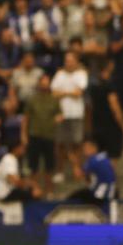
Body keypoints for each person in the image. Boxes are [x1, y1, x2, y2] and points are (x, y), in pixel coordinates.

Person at [52, 52, 89, 180]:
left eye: (71, 60)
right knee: (60, 144)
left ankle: (77, 170)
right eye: (66, 60)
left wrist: (63, 92)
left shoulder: (81, 74)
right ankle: (60, 171)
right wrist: (70, 92)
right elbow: (54, 93)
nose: (68, 62)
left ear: (76, 61)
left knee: (77, 143)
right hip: (61, 114)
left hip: (76, 114)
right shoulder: (59, 74)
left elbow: (78, 93)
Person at [23, 74, 60, 196]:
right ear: (39, 84)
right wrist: (24, 134)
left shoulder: (54, 99)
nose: (45, 84)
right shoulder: (32, 99)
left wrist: (58, 119)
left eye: (47, 81)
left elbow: (60, 114)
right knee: (33, 166)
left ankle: (49, 191)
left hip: (49, 136)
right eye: (42, 82)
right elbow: (26, 118)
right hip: (35, 134)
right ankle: (34, 191)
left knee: (49, 166)